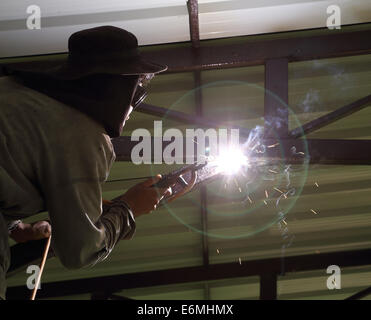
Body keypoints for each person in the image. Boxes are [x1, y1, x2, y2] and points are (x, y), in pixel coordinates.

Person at [0, 26, 173, 300]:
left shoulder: (14, 90)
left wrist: (16, 228)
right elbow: (80, 251)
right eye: (136, 90)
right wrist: (128, 208)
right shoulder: (84, 137)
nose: (133, 106)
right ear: (118, 87)